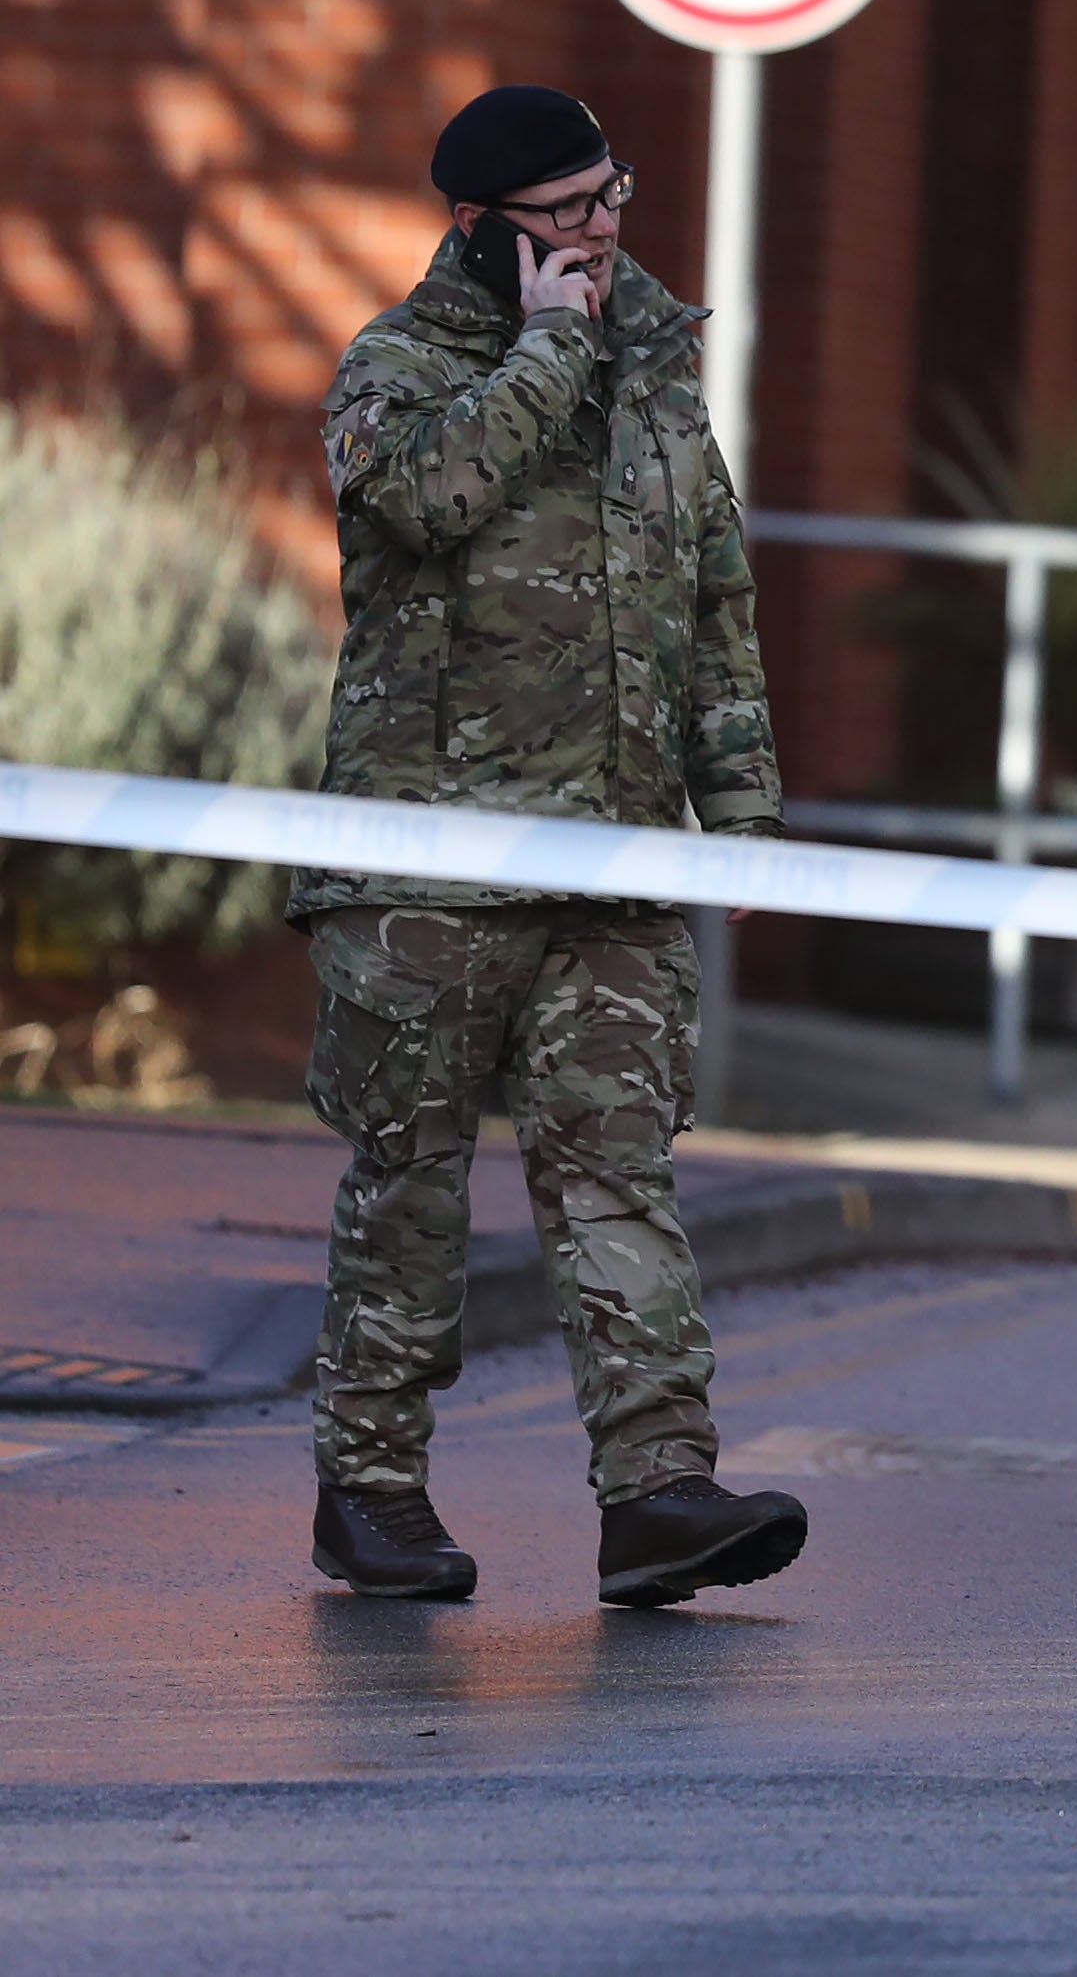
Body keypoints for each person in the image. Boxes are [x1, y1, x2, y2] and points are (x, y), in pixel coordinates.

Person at [295, 85, 809, 1610]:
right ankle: (369, 1489)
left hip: (620, 864)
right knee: (410, 1184)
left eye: (613, 195)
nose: (602, 232)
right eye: (568, 212)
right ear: (484, 231)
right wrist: (549, 351)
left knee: (620, 1182)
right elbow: (423, 499)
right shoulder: (397, 369)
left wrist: (747, 822)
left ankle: (659, 1491)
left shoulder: (659, 380)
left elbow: (717, 606)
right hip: (425, 870)